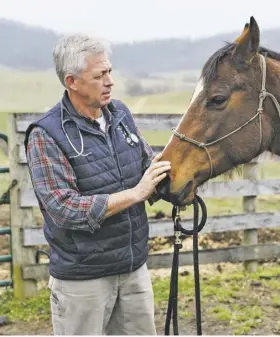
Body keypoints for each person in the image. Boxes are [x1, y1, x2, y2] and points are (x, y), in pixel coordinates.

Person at [23, 33, 170, 335]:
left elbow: (147, 168)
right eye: (99, 75)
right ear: (72, 81)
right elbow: (63, 208)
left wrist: (182, 178)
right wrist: (135, 194)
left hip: (132, 270)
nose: (110, 82)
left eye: (110, 72)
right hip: (82, 281)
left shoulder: (120, 115)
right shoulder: (46, 134)